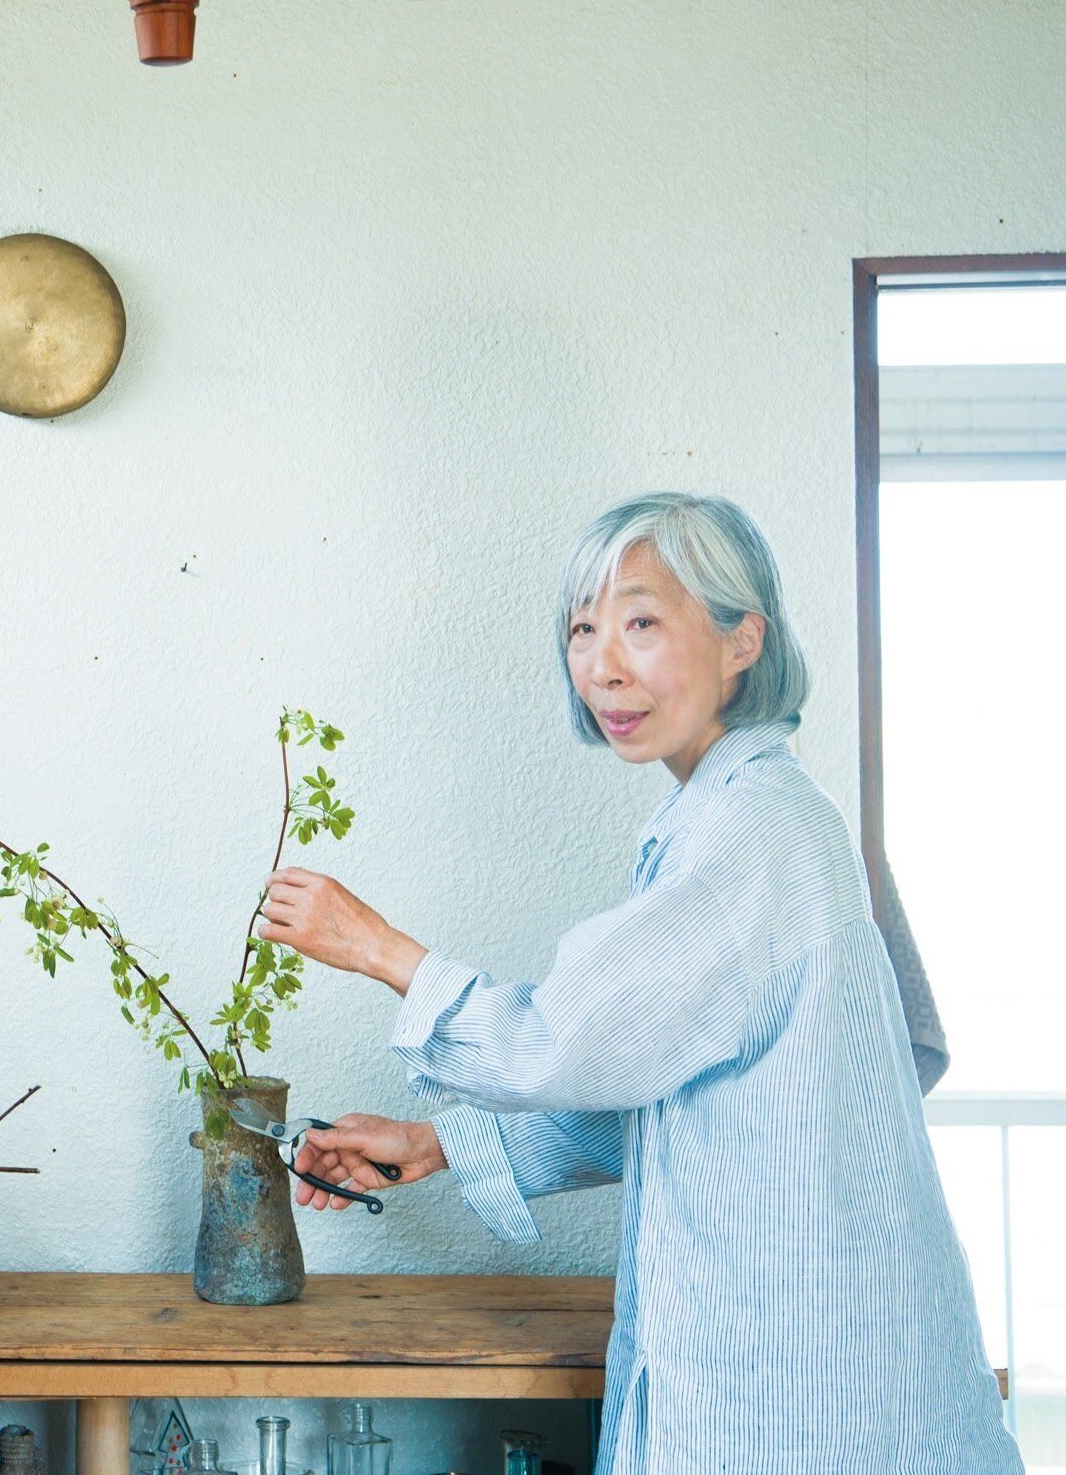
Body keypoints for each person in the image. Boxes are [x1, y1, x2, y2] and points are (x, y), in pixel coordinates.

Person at [257, 492, 1018, 1474]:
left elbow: (561, 1043)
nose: (603, 665)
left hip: (804, 1387)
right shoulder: (729, 818)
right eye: (583, 629)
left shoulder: (751, 835)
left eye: (643, 622)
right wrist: (435, 1140)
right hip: (799, 1366)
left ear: (746, 638)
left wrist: (378, 948)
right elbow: (673, 1086)